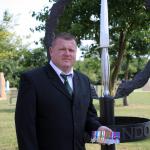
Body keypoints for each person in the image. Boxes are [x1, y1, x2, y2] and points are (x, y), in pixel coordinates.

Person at [15, 32, 112, 150]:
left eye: (71, 50)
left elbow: (88, 116)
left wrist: (98, 129)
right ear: (51, 51)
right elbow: (25, 127)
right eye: (62, 49)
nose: (67, 54)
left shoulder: (84, 80)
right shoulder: (32, 80)